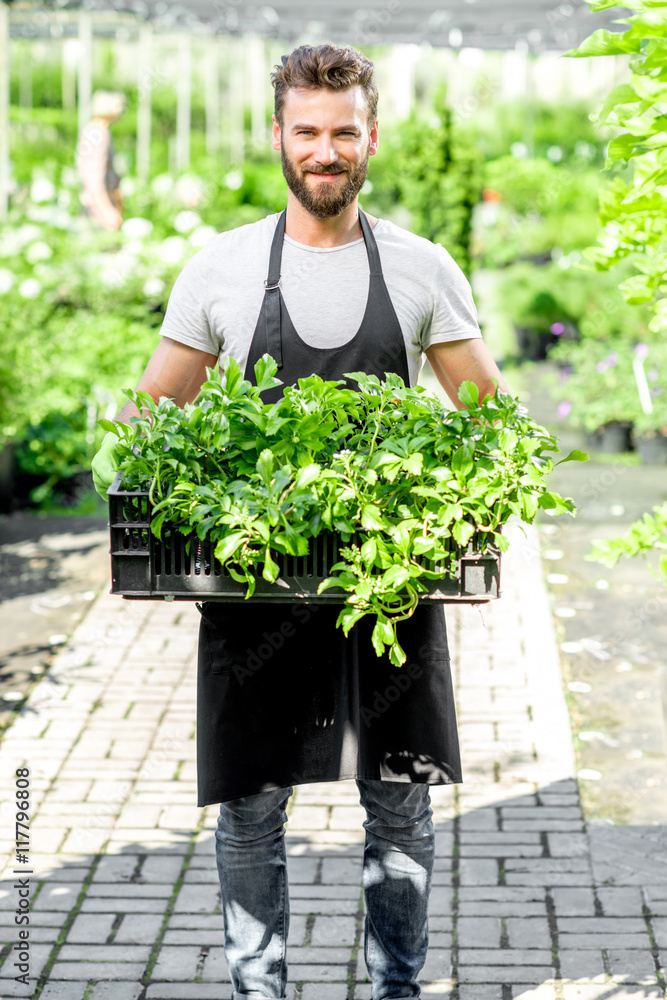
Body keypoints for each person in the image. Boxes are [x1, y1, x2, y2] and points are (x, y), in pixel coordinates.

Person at [92, 43, 507, 1000]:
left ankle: (394, 992)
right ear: (277, 134)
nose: (327, 150)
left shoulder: (420, 268)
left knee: (399, 808)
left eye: (344, 132)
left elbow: (485, 409)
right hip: (254, 581)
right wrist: (135, 498)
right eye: (308, 132)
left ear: (372, 137)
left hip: (386, 577)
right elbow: (153, 410)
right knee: (247, 810)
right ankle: (259, 993)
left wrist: (479, 505)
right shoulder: (223, 268)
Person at [76, 90, 126, 230]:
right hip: (98, 205)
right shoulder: (99, 133)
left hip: (92, 200)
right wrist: (106, 210)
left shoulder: (90, 129)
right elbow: (94, 176)